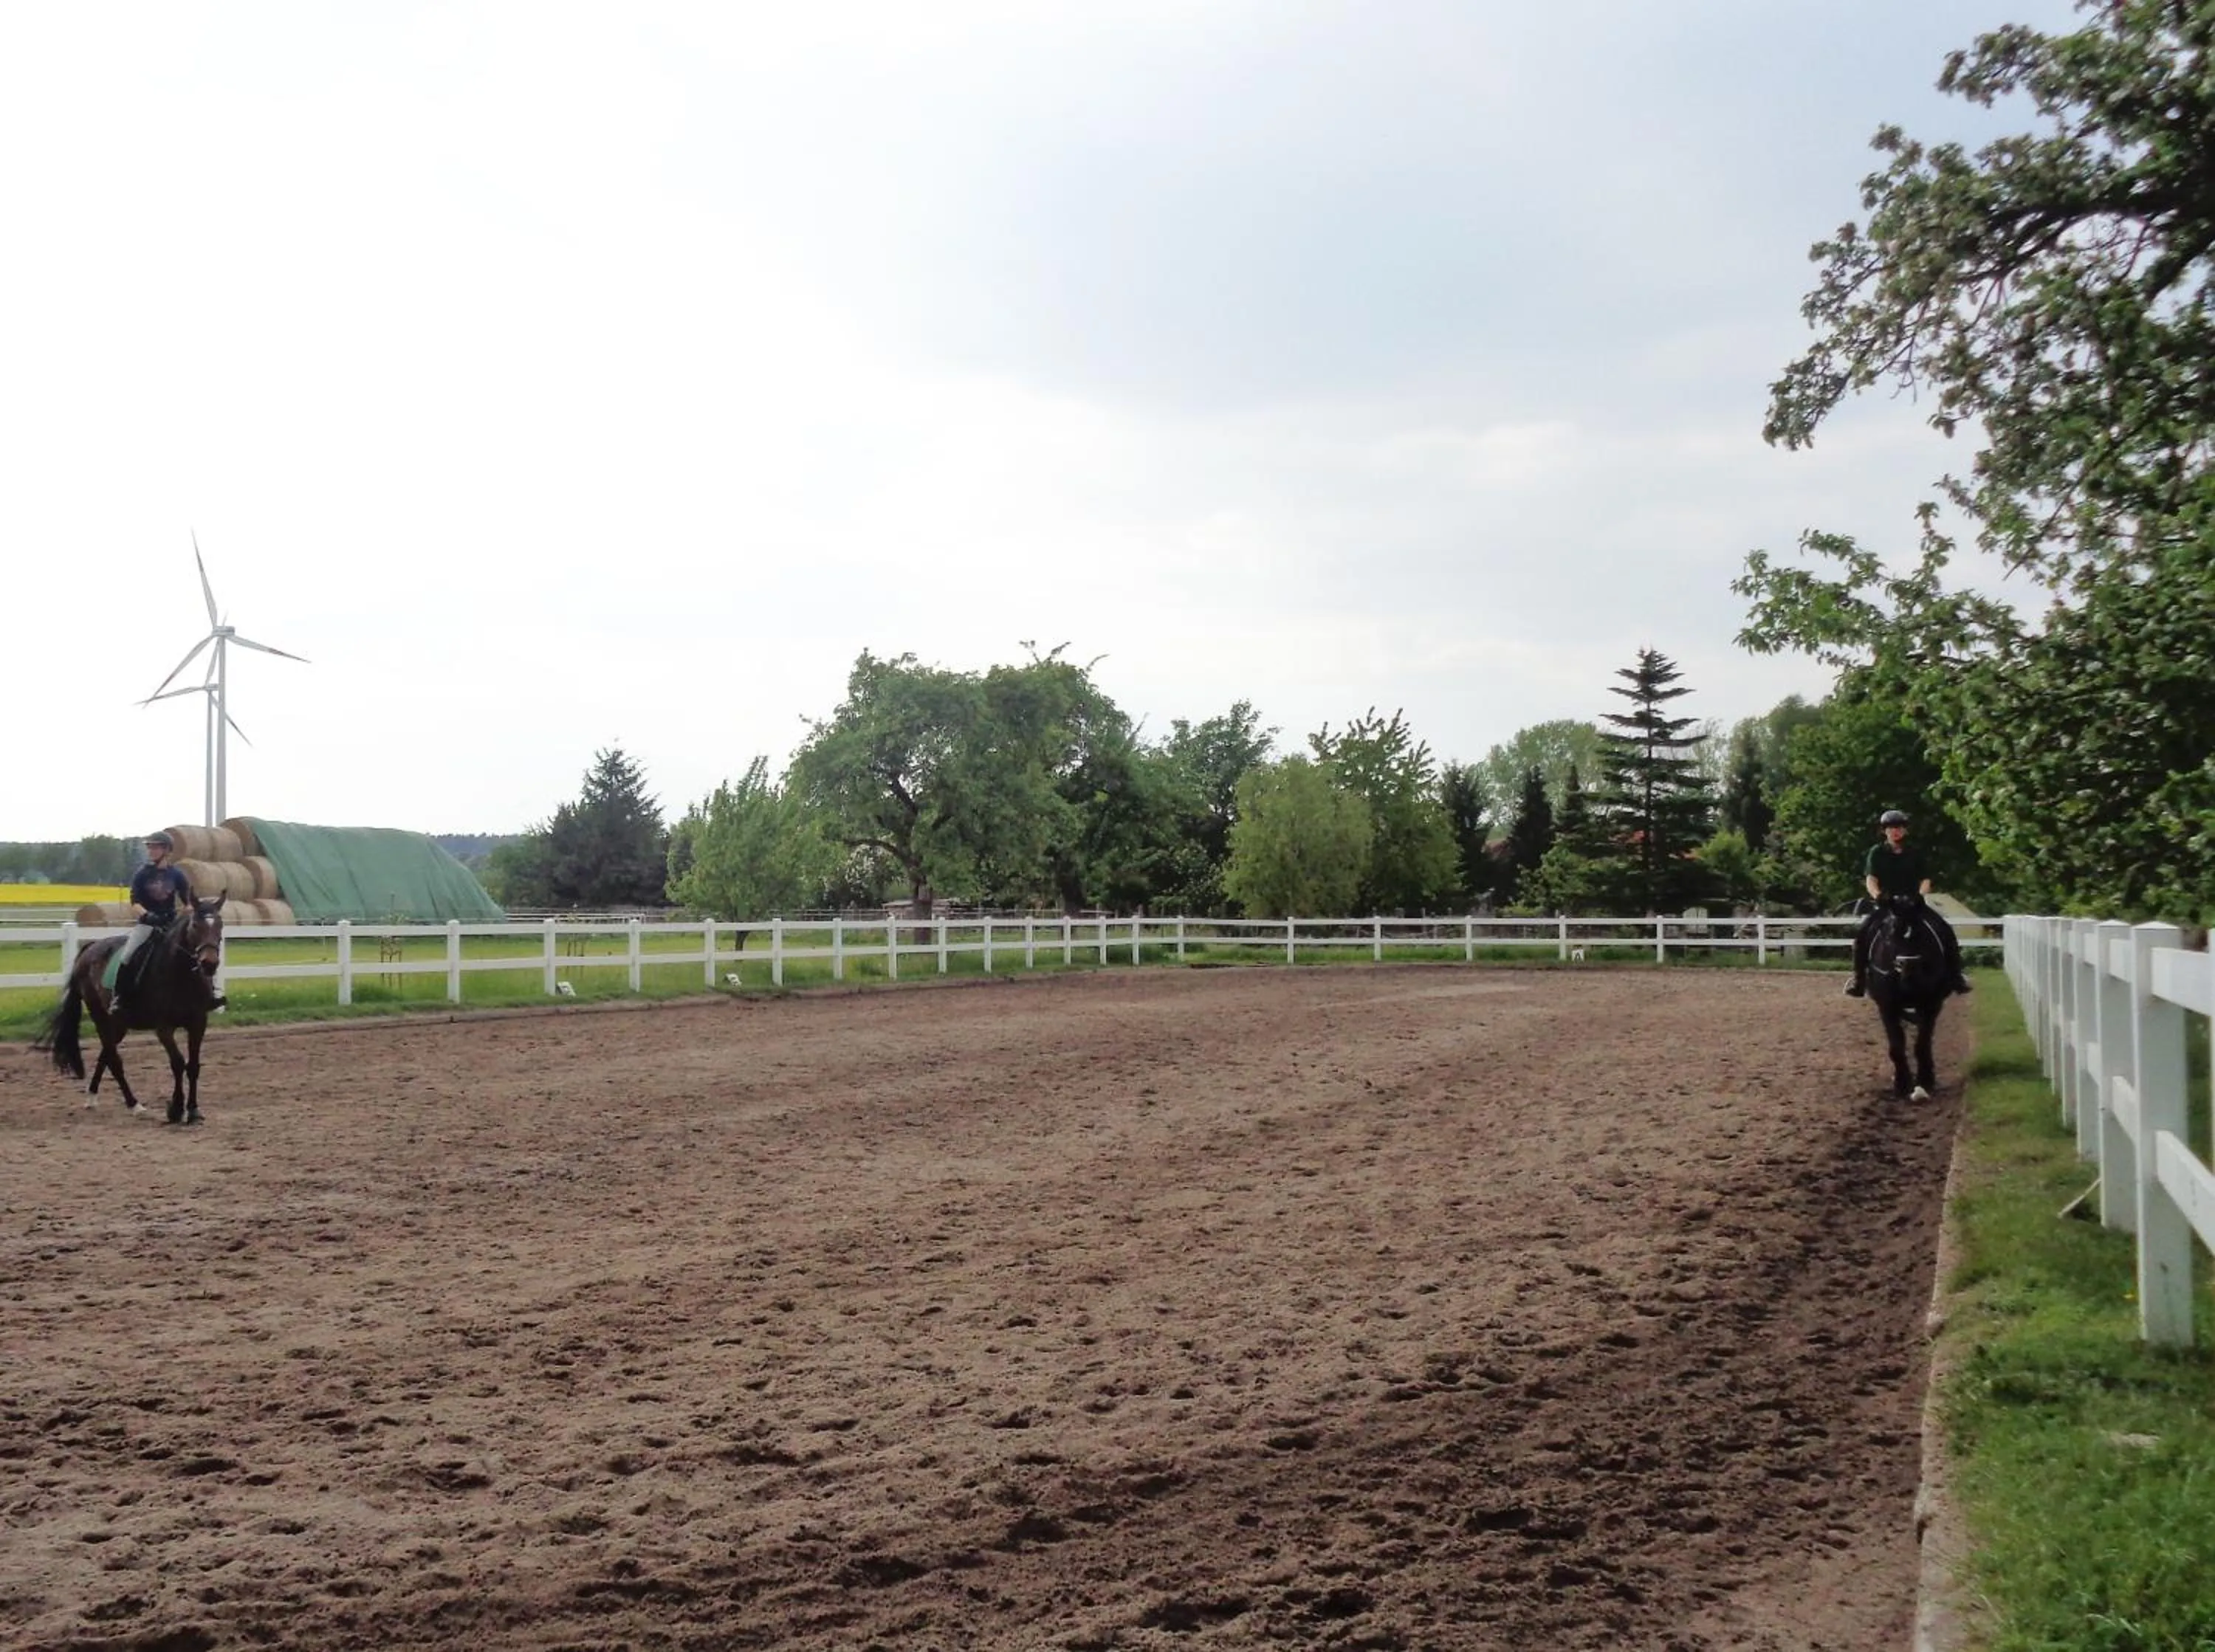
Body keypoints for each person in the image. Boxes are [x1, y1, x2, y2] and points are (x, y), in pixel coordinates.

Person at [1844, 809, 1972, 997]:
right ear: (1884, 831)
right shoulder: (1877, 852)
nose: (1895, 831)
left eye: (1899, 828)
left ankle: (1955, 977)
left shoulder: (1915, 853)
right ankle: (1859, 980)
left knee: (1944, 930)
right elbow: (1871, 879)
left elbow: (1926, 879)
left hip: (1913, 904)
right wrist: (1878, 896)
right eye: (1891, 828)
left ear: (1905, 831)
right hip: (1888, 904)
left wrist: (1920, 895)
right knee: (1863, 934)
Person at [111, 832, 197, 1016]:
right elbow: (135, 903)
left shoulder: (177, 875)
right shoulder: (142, 874)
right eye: (149, 847)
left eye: (155, 847)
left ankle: (207, 995)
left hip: (170, 925)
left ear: (166, 850)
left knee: (195, 955)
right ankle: (119, 997)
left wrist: (184, 913)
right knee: (127, 956)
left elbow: (188, 902)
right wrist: (148, 916)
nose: (151, 851)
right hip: (146, 925)